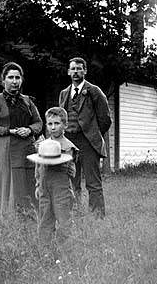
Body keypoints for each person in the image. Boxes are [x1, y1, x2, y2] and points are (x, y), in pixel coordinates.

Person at [0, 62, 43, 216]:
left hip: (26, 149)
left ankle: (29, 216)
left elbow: (39, 123)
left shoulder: (28, 101)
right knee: (8, 182)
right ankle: (8, 217)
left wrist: (29, 129)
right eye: (10, 77)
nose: (14, 81)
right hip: (5, 149)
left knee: (27, 182)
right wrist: (9, 130)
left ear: (22, 80)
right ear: (3, 80)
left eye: (18, 77)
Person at [58, 57, 111, 218]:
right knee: (72, 181)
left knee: (93, 183)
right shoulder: (64, 93)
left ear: (85, 71)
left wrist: (93, 134)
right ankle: (75, 215)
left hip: (88, 142)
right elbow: (61, 118)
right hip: (69, 142)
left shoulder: (94, 91)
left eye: (79, 68)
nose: (76, 72)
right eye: (73, 69)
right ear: (68, 72)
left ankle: (97, 217)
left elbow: (105, 119)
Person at [31, 107, 77, 241]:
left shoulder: (68, 147)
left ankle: (65, 247)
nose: (53, 127)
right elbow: (38, 167)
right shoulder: (43, 145)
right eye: (50, 124)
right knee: (45, 218)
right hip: (44, 187)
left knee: (64, 219)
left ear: (65, 125)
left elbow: (72, 170)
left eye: (57, 123)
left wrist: (67, 165)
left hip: (61, 188)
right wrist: (38, 185)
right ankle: (45, 247)